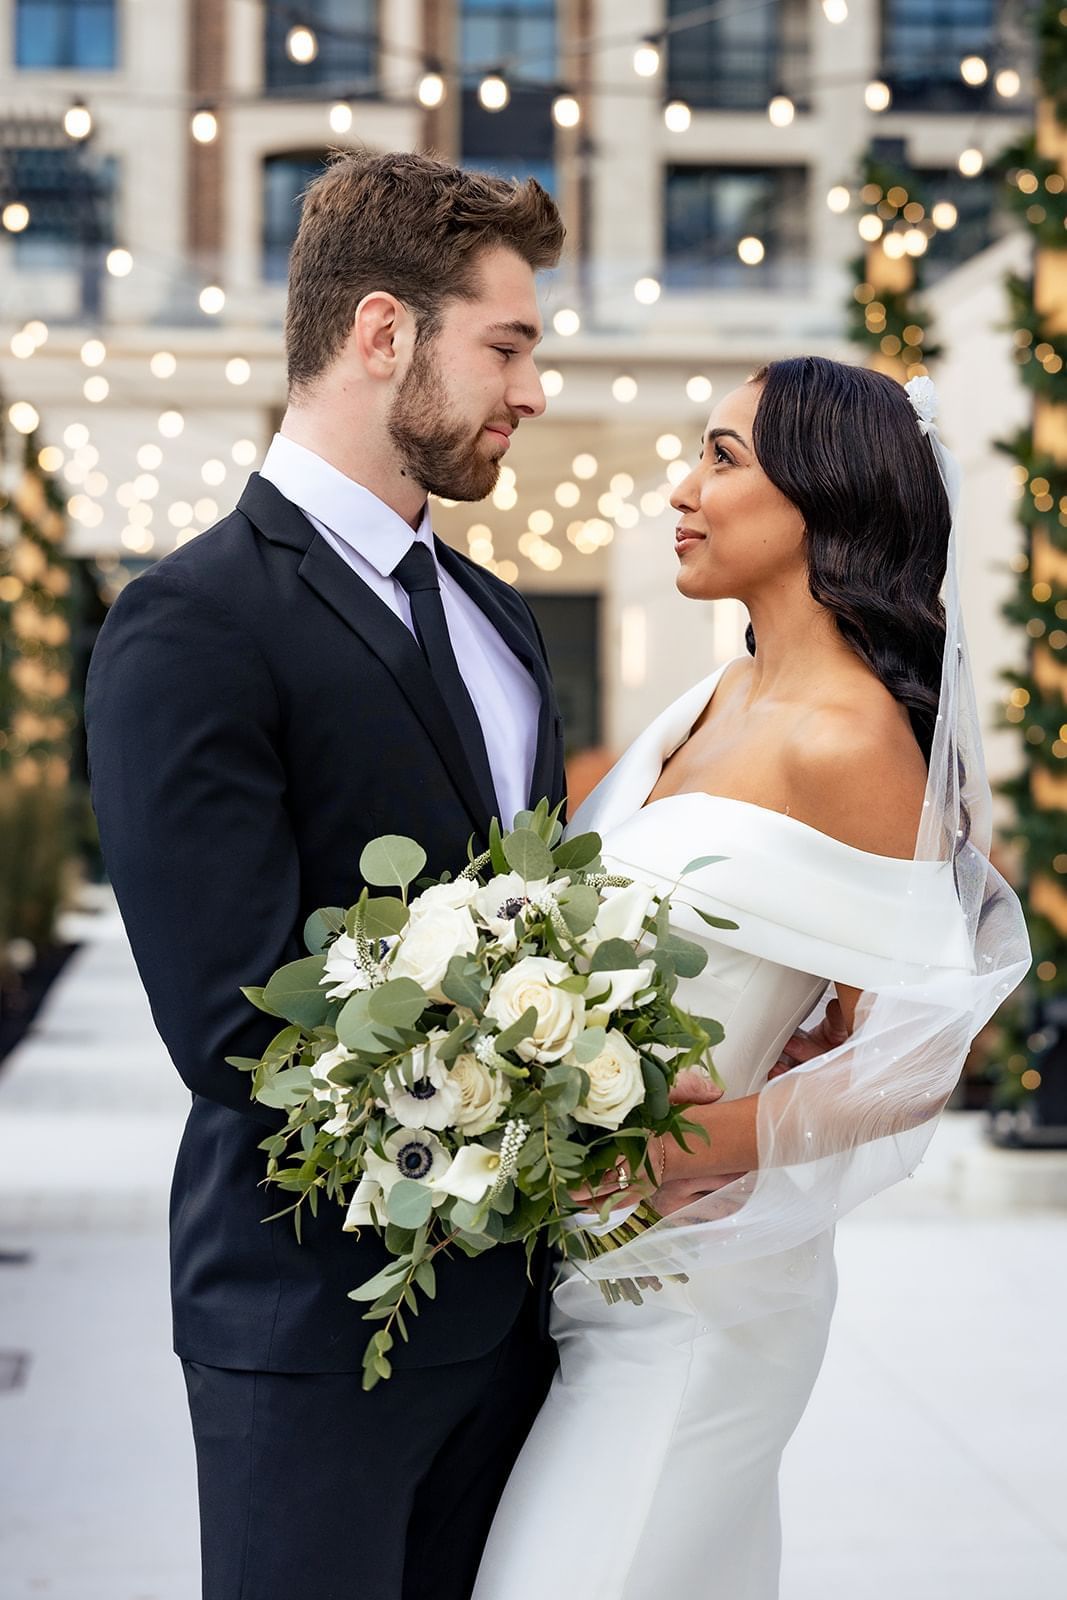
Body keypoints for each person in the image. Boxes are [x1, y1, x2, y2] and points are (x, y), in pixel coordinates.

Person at [84, 151, 568, 1600]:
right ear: (380, 333)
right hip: (308, 1333)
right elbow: (236, 1028)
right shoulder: (189, 626)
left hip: (527, 1337)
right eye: (506, 344)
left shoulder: (497, 620)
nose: (531, 391)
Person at [473, 357, 1030, 1599]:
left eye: (723, 459)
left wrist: (695, 1144)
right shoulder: (713, 694)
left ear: (824, 499)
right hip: (581, 1271)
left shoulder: (852, 740)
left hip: (699, 1296)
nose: (684, 488)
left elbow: (921, 1056)